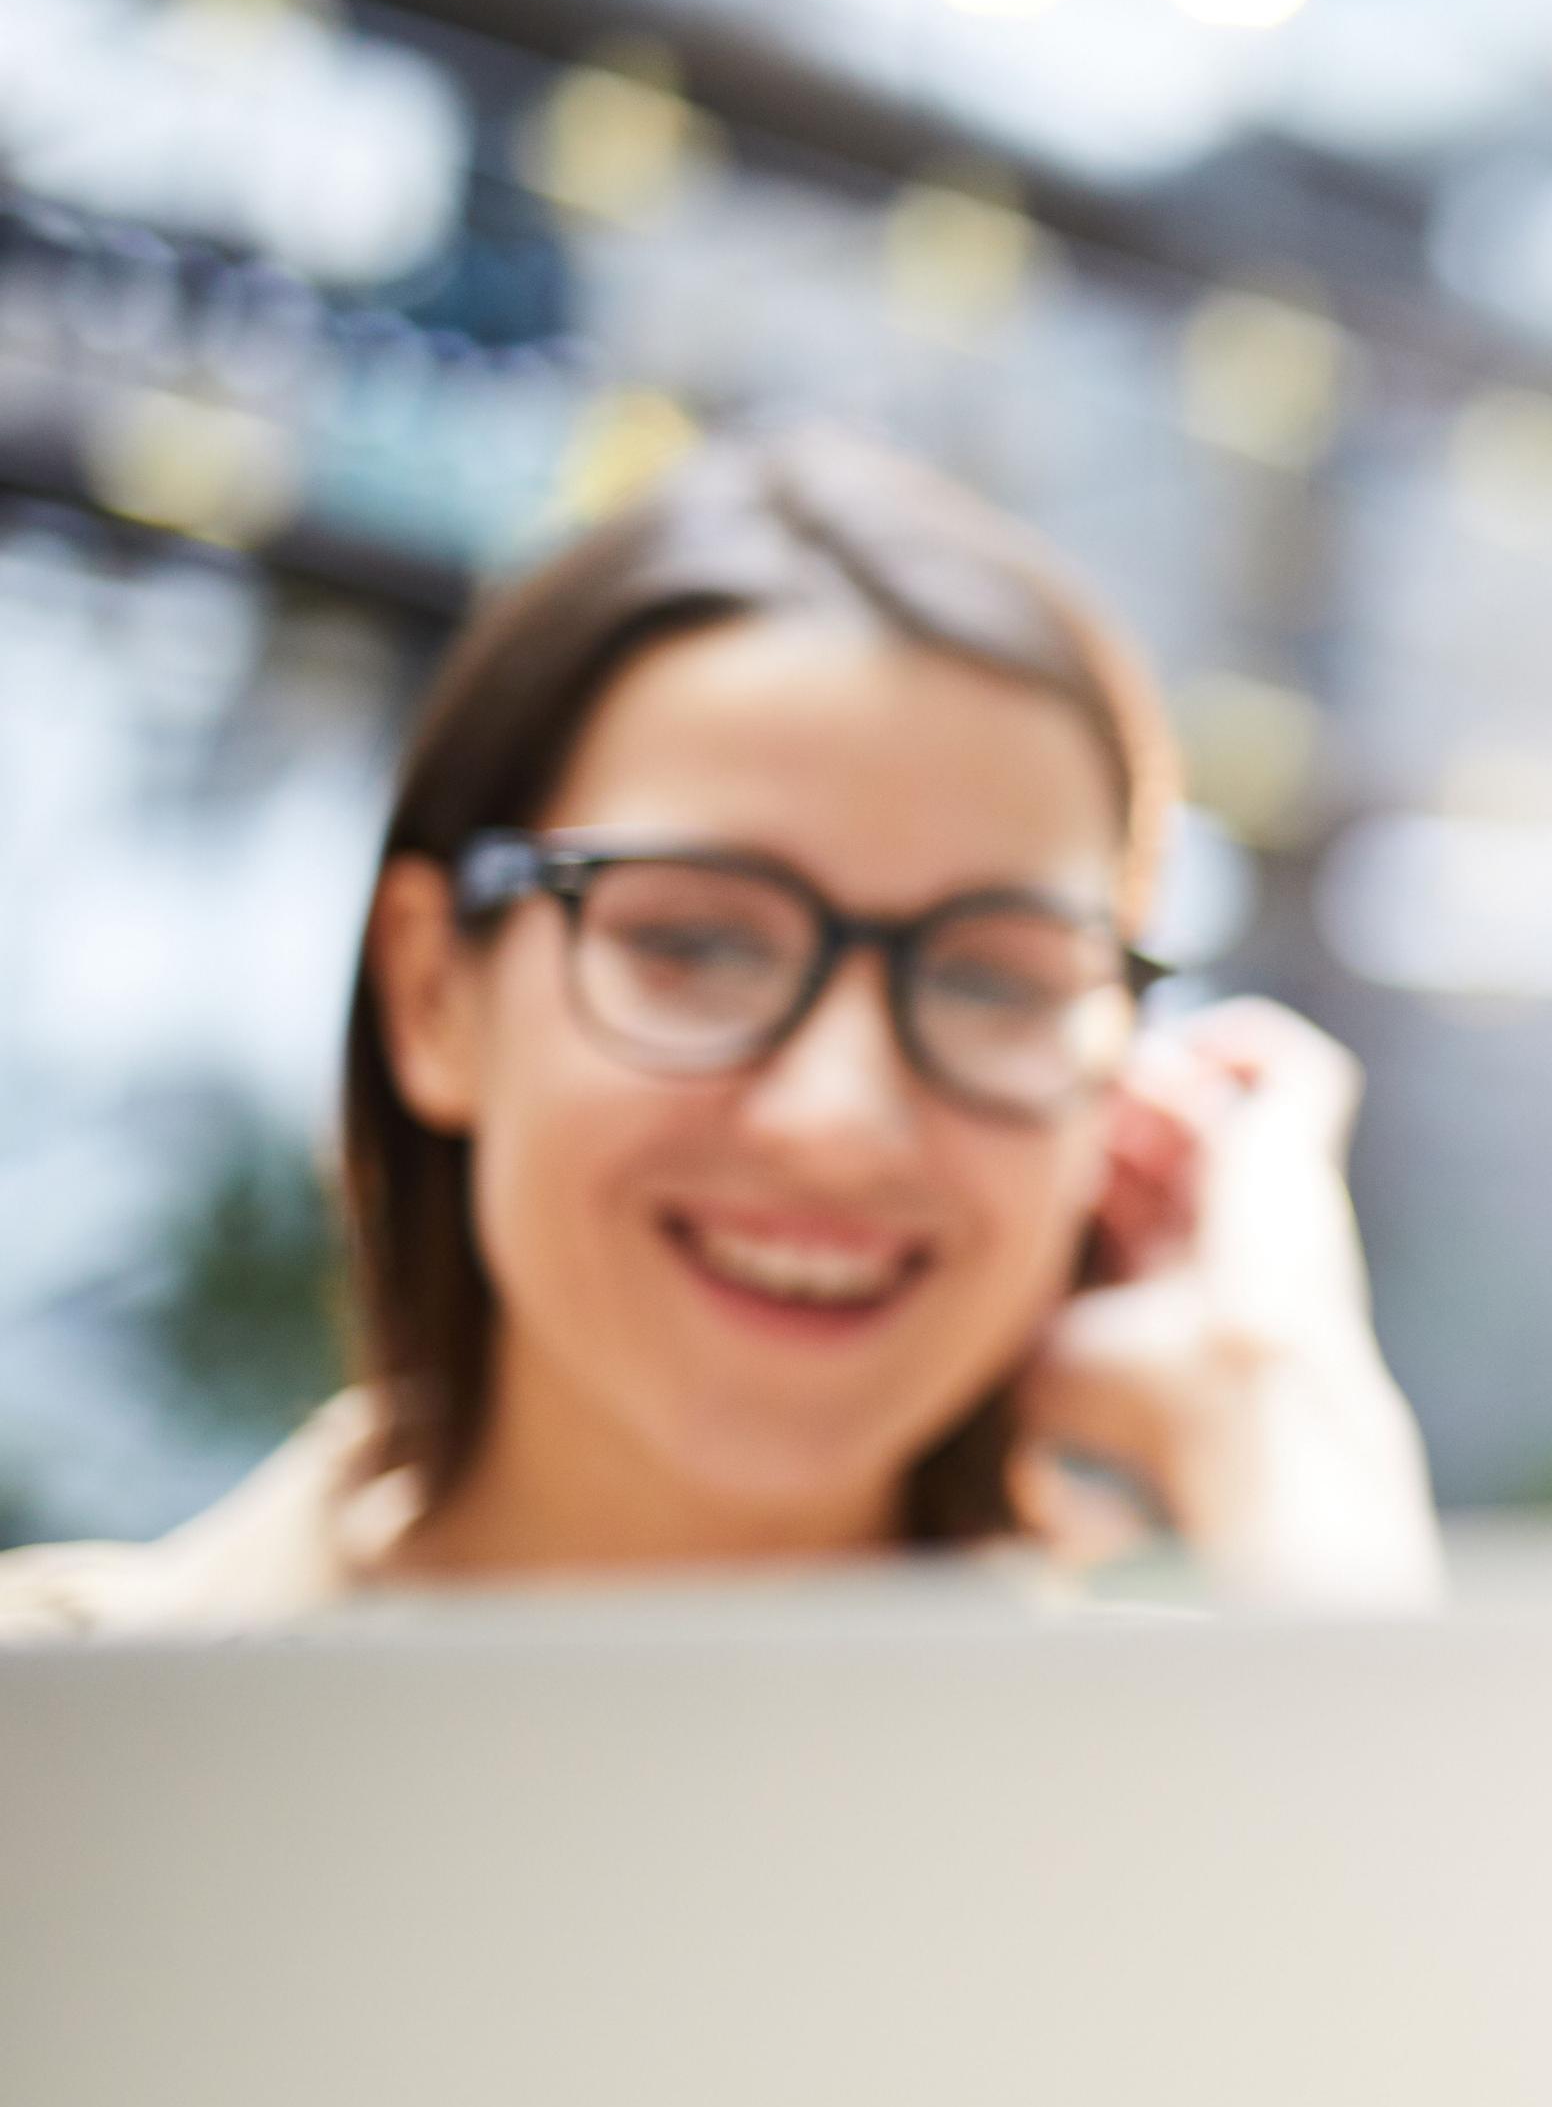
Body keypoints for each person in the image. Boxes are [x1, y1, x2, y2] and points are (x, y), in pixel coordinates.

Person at [0, 425, 1436, 1635]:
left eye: (994, 979)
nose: (839, 1117)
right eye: (693, 945)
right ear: (434, 994)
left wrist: (1273, 1404)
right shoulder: (54, 1753)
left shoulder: (1203, 1798)